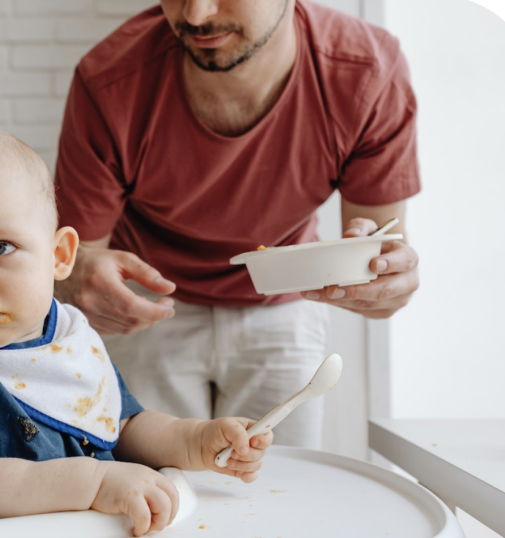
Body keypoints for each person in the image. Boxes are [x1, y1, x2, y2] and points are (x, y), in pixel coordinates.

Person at [53, 0, 421, 448]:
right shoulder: (109, 79)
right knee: (153, 494)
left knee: (282, 488)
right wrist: (75, 281)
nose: (195, 14)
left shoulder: (367, 72)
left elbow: (379, 246)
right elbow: (76, 260)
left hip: (283, 298)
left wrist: (382, 283)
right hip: (150, 303)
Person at [0, 125, 273, 536]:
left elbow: (122, 427)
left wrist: (194, 439)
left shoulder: (70, 341)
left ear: (59, 256)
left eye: (0, 248)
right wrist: (95, 482)